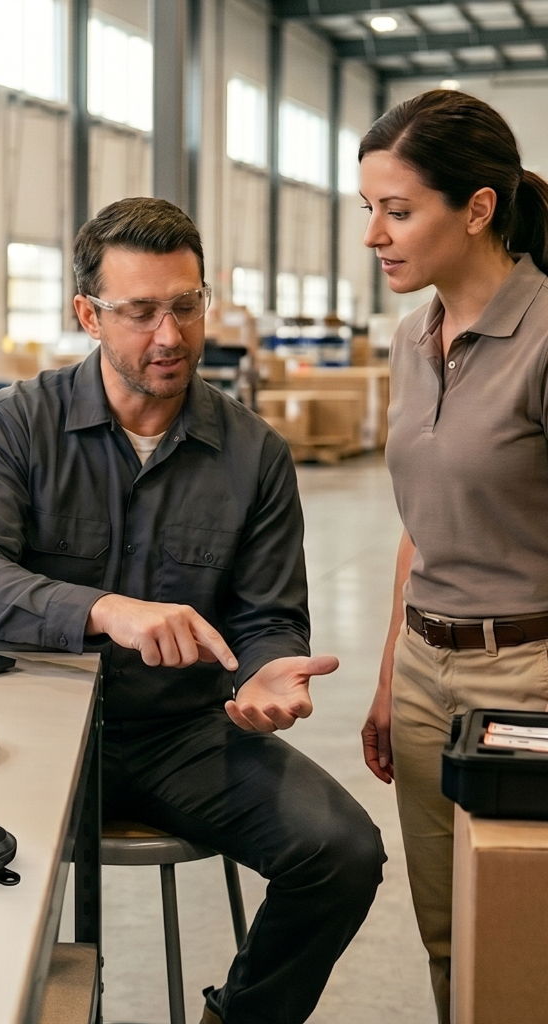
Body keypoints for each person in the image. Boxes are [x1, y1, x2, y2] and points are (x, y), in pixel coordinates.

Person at [0, 196, 385, 1024]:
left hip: (185, 733)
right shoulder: (14, 425)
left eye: (186, 305)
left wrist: (270, 669)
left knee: (343, 853)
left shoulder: (255, 453)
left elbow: (267, 615)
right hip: (35, 728)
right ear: (89, 315)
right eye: (141, 312)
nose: (169, 335)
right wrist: (107, 610)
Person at [358, 89, 548, 1023]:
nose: (376, 236)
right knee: (451, 932)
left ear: (477, 209)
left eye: (398, 211)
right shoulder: (411, 338)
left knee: (532, 933)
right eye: (369, 212)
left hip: (533, 678)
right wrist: (395, 674)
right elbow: (418, 521)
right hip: (428, 670)